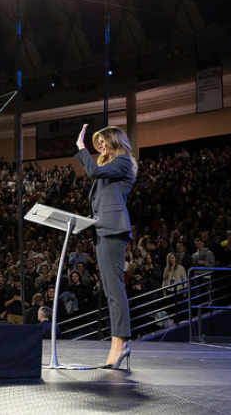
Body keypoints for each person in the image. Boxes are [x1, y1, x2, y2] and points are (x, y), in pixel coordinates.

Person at [76, 124, 136, 369]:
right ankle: (117, 343)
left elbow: (92, 172)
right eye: (97, 142)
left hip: (113, 229)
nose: (100, 146)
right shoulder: (109, 167)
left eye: (104, 141)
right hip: (102, 230)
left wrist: (81, 148)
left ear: (116, 140)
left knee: (115, 290)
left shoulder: (123, 161)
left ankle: (120, 343)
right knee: (110, 290)